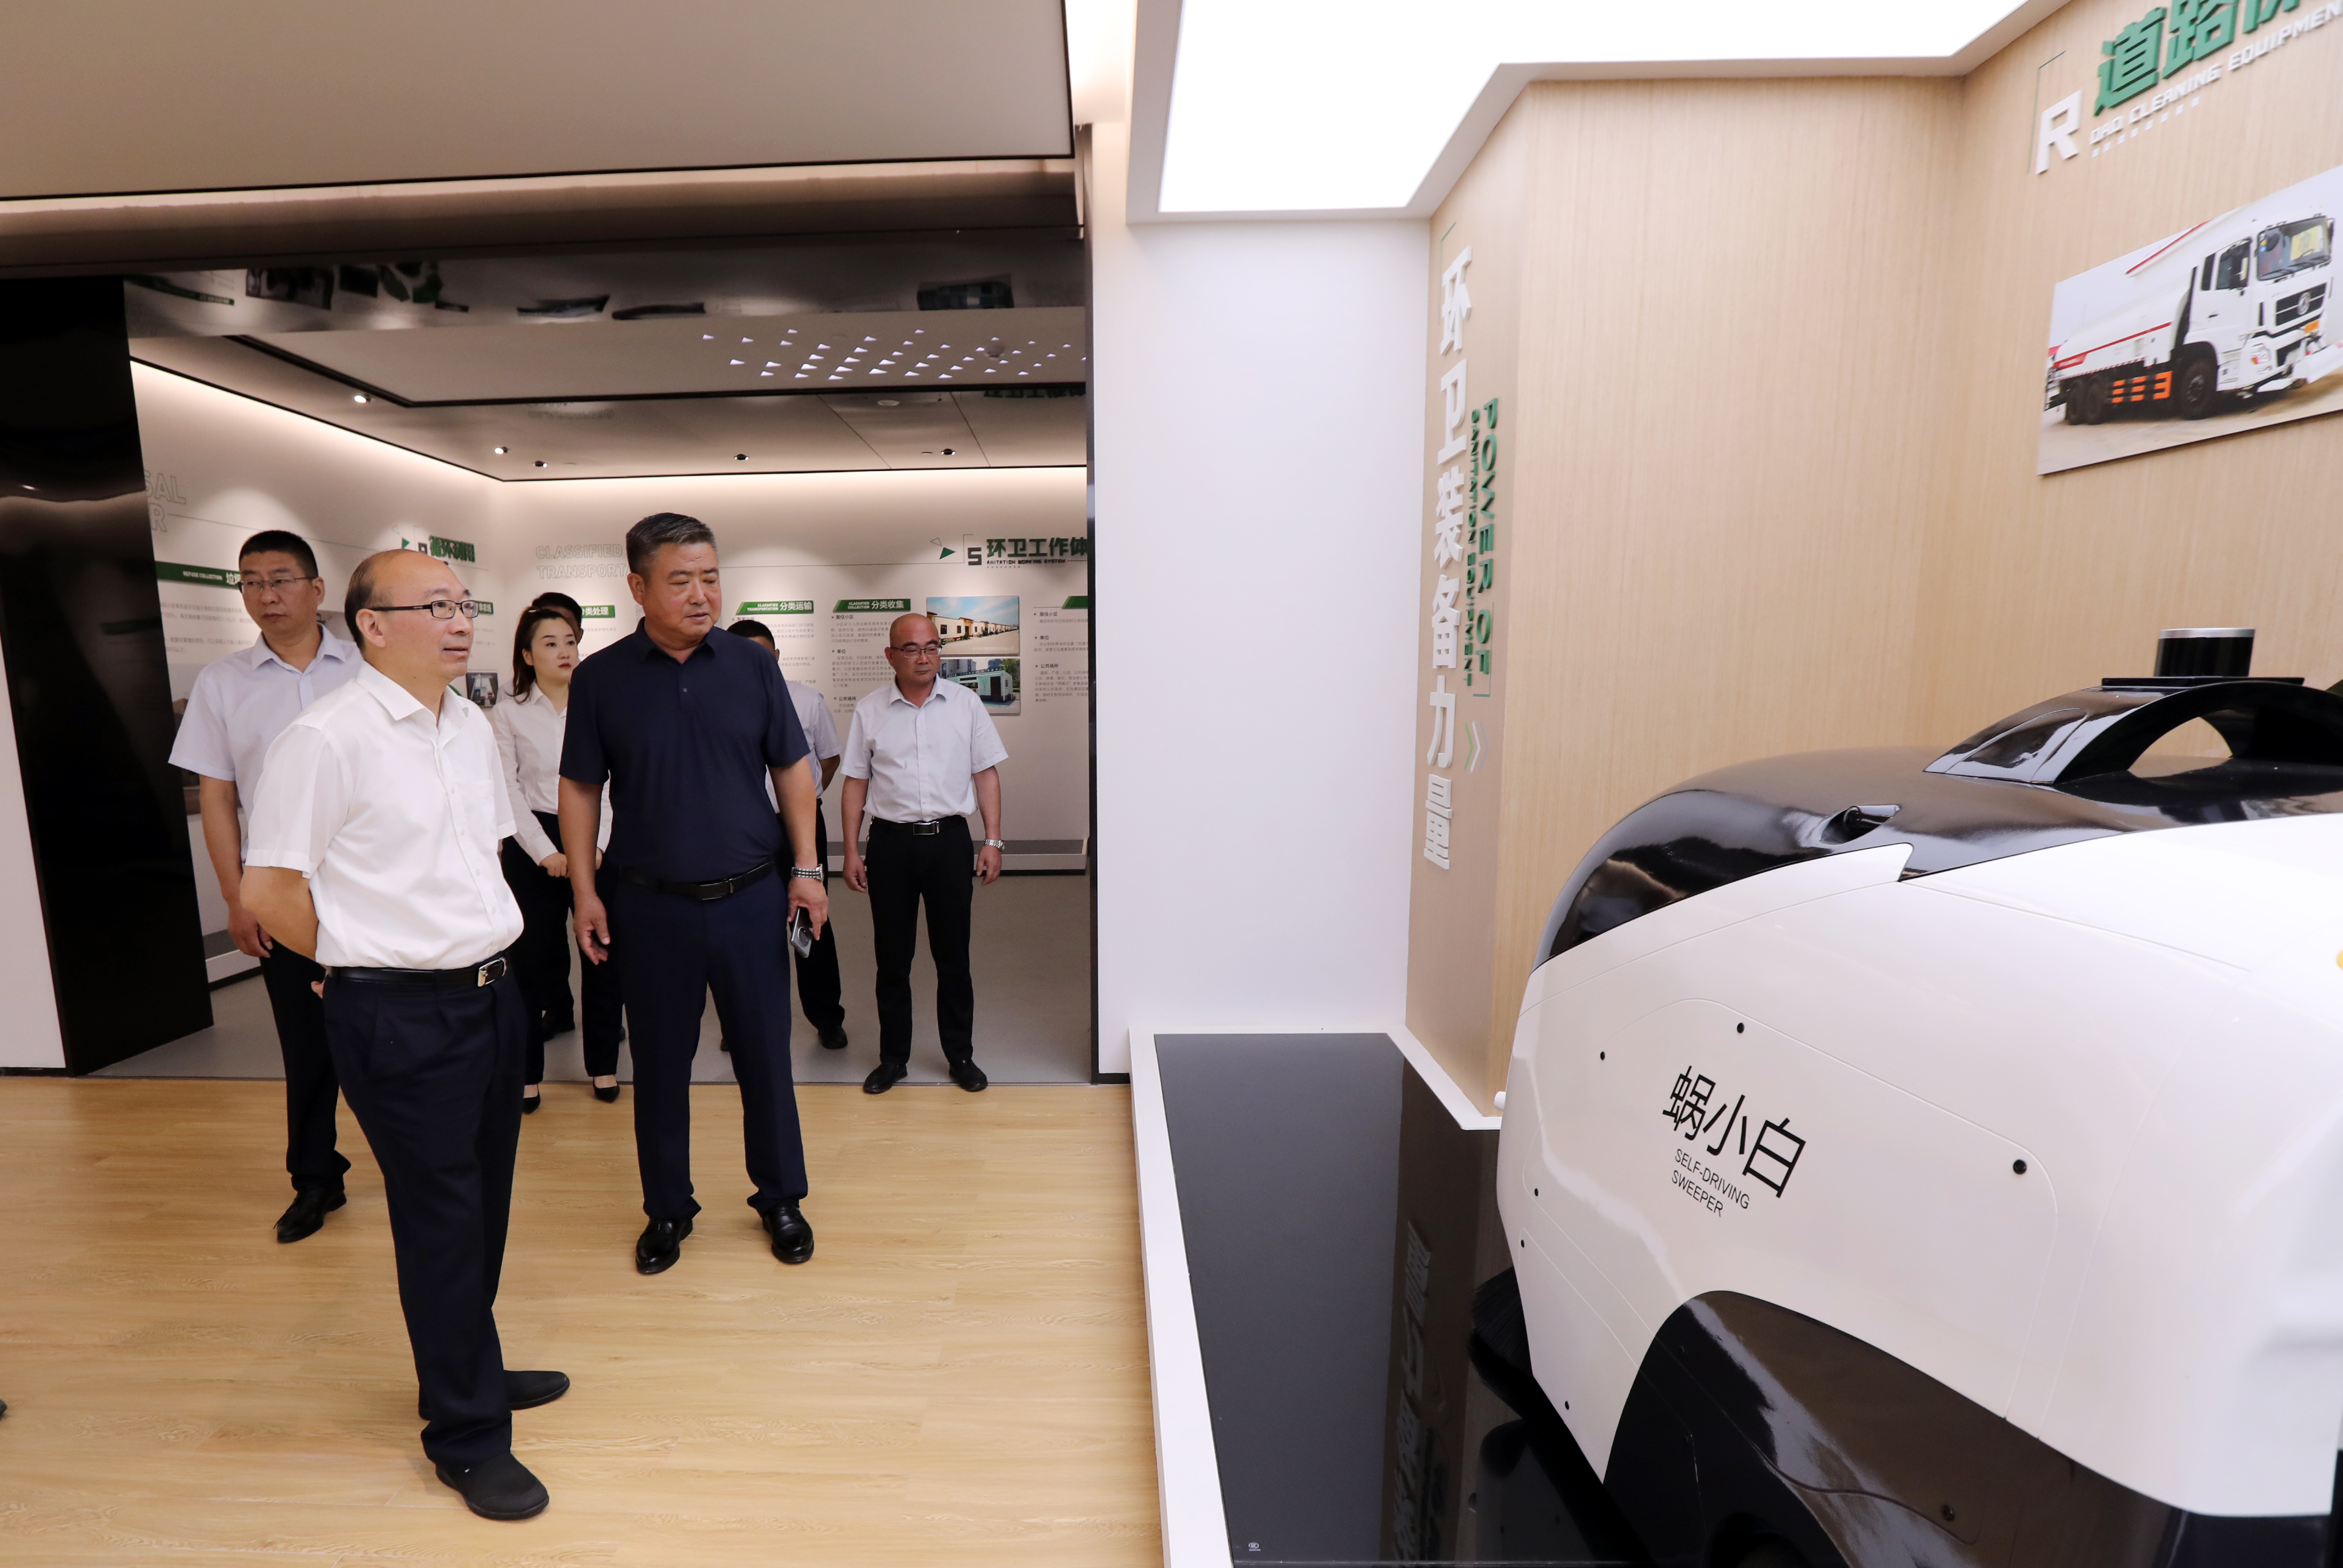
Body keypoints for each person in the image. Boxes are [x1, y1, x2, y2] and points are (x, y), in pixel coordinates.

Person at [240, 548, 565, 1522]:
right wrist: (355, 959)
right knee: (441, 1217)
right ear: (373, 626)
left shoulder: (466, 724)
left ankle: (467, 1364)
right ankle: (465, 1434)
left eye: (464, 603)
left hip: (492, 995)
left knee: (485, 1202)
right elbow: (269, 892)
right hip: (401, 1013)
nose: (459, 620)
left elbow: (479, 856)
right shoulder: (324, 739)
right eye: (435, 605)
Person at [559, 514, 830, 1277]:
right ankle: (668, 1209)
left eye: (711, 577)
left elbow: (792, 768)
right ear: (638, 587)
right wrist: (585, 891)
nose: (701, 594)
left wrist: (808, 869)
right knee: (660, 1064)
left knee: (765, 1057)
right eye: (680, 580)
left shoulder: (751, 667)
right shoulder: (602, 678)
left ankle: (780, 1198)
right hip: (649, 905)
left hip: (750, 898)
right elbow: (580, 788)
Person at [168, 529, 362, 1243]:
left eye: (280, 579)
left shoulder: (368, 667)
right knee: (305, 1042)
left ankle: (416, 1164)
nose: (266, 594)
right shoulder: (223, 683)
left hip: (369, 883)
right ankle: (316, 1177)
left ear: (318, 589)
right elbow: (218, 797)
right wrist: (236, 895)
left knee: (388, 1032)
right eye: (251, 581)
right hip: (281, 890)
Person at [839, 612, 1008, 1095]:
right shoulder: (870, 711)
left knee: (953, 956)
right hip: (890, 845)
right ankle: (894, 1058)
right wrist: (851, 850)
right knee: (892, 958)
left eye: (932, 647)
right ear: (890, 656)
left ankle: (960, 1056)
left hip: (949, 842)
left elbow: (986, 773)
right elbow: (855, 783)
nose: (924, 657)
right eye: (911, 649)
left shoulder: (965, 704)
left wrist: (992, 840)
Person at [491, 606, 622, 1108]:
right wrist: (546, 852)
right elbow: (507, 790)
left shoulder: (598, 705)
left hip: (596, 833)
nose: (565, 651)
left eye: (570, 641)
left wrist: (596, 846)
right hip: (534, 841)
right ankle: (528, 1074)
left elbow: (610, 784)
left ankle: (604, 1065)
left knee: (604, 954)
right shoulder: (508, 713)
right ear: (527, 655)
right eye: (550, 643)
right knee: (529, 962)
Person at [727, 618, 849, 1053]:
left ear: (777, 656)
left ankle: (826, 1017)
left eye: (765, 655)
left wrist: (804, 802)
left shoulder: (806, 700)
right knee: (744, 924)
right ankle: (743, 1021)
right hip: (742, 828)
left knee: (811, 919)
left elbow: (829, 759)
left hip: (800, 825)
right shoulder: (717, 702)